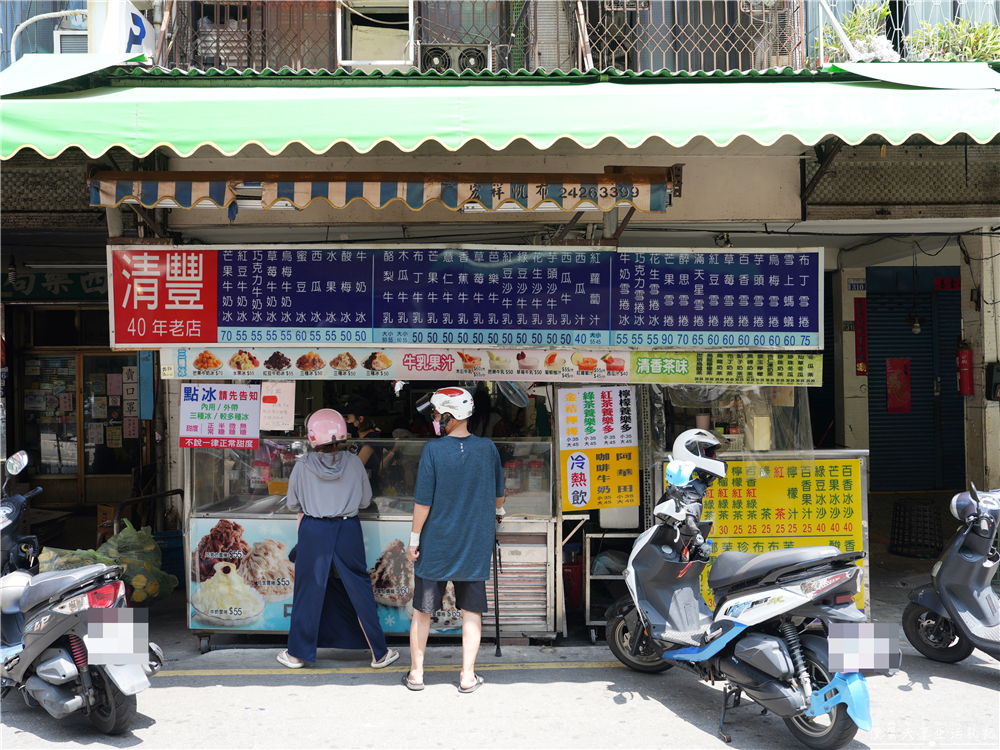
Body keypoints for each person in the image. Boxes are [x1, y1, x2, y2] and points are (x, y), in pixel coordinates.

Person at [278, 409, 399, 670]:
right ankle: (379, 653)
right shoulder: (354, 462)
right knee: (358, 586)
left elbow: (292, 504)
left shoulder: (302, 465)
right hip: (347, 529)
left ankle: (296, 654)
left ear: (312, 436)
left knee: (308, 588)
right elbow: (365, 501)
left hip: (313, 529)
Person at [402, 388, 505, 693]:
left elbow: (423, 503)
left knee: (422, 611)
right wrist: (499, 512)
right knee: (471, 612)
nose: (434, 419)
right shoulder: (488, 449)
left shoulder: (433, 451)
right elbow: (500, 493)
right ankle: (467, 676)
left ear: (449, 415)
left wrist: (413, 539)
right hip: (475, 542)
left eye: (435, 414)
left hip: (436, 544)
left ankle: (417, 674)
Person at [344, 398, 385, 496]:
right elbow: (337, 443)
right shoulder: (356, 435)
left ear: (361, 419)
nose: (345, 422)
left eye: (347, 418)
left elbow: (356, 466)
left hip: (368, 491)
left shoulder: (371, 439)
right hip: (355, 488)